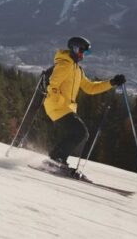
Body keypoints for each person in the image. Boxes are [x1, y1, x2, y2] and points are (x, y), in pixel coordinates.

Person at [43, 36, 126, 174]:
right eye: (82, 51)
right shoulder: (65, 65)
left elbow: (90, 88)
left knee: (79, 133)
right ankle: (56, 158)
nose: (83, 55)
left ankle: (56, 157)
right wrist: (60, 101)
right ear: (75, 49)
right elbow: (52, 85)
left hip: (65, 108)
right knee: (80, 132)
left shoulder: (77, 69)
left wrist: (112, 82)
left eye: (86, 53)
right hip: (57, 107)